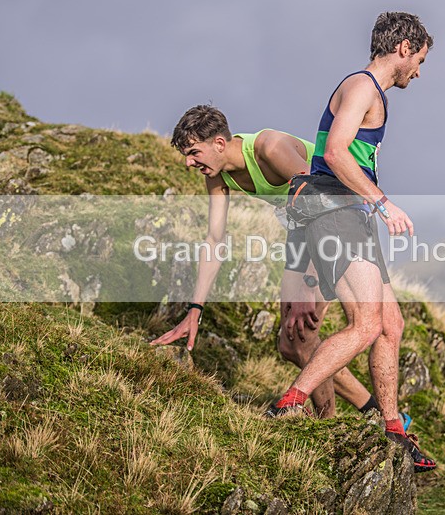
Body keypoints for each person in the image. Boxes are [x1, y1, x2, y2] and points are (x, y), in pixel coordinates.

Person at [150, 105, 407, 422]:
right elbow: (215, 241)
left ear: (218, 143)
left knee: (316, 332)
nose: (189, 163)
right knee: (291, 344)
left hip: (342, 218)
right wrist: (195, 310)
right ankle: (354, 415)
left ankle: (349, 418)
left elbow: (321, 204)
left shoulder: (270, 148)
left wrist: (308, 286)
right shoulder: (218, 176)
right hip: (306, 233)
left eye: (193, 152)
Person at [266, 12, 436, 472]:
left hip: (348, 213)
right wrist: (383, 202)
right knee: (365, 322)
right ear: (403, 47)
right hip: (333, 208)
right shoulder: (362, 86)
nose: (418, 71)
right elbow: (336, 152)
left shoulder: (372, 92)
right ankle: (289, 404)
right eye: (419, 59)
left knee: (391, 324)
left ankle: (393, 429)